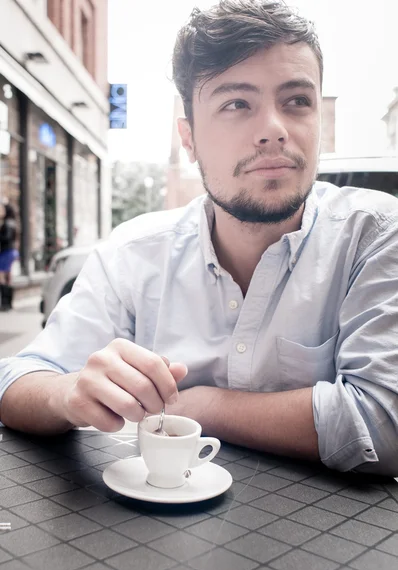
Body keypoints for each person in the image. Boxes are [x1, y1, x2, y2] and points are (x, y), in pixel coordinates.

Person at [0, 0, 398, 476]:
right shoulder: (134, 255)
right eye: (236, 104)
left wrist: (201, 405)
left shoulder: (374, 235)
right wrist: (69, 393)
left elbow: (384, 422)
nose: (273, 130)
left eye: (297, 101)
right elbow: (15, 382)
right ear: (187, 139)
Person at [0, 203, 18, 311]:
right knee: (9, 277)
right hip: (11, 251)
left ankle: (5, 303)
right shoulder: (13, 223)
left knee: (1, 277)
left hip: (6, 252)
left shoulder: (6, 223)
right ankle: (9, 303)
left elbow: (6, 238)